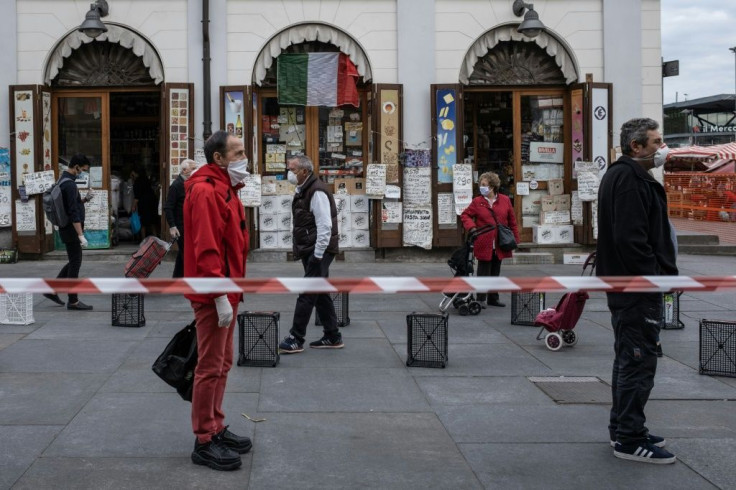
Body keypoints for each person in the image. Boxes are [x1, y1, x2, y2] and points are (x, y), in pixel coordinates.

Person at [597, 118, 678, 464]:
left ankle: (624, 428)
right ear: (637, 146)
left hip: (629, 286)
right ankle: (629, 438)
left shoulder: (623, 175)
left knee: (628, 358)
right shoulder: (629, 179)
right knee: (637, 361)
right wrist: (655, 279)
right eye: (656, 142)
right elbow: (632, 240)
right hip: (637, 289)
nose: (662, 148)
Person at [183, 130, 251, 471]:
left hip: (227, 290)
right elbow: (207, 249)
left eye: (243, 151)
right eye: (237, 153)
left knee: (222, 363)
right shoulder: (206, 191)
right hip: (214, 294)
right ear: (218, 159)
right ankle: (204, 439)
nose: (244, 158)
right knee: (209, 367)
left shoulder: (226, 188)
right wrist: (220, 295)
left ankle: (215, 424)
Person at [278, 155, 343, 353]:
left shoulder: (316, 191)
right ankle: (332, 336)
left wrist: (318, 254)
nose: (289, 173)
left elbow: (325, 225)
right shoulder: (305, 189)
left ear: (304, 171)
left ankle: (296, 337)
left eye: (293, 169)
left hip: (318, 249)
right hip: (311, 247)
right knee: (320, 292)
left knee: (307, 292)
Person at [460, 171, 519, 307]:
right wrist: (472, 228)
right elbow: (465, 215)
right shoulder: (477, 201)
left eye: (484, 184)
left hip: (500, 242)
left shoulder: (504, 200)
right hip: (483, 241)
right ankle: (481, 298)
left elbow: (512, 221)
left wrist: (515, 239)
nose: (482, 187)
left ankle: (493, 298)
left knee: (495, 270)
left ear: (492, 186)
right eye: (481, 184)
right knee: (483, 271)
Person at [43, 154, 94, 311]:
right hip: (71, 229)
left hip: (65, 228)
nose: (83, 173)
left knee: (73, 260)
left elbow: (70, 205)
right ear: (76, 166)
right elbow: (73, 212)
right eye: (83, 170)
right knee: (75, 263)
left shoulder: (63, 180)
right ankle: (73, 301)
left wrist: (85, 199)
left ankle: (52, 289)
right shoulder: (70, 185)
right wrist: (80, 234)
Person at [163, 159, 195, 277]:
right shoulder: (176, 185)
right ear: (185, 170)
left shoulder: (190, 183)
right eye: (193, 169)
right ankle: (185, 279)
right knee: (186, 252)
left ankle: (177, 278)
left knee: (183, 252)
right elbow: (168, 207)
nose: (195, 171)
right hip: (180, 225)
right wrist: (172, 226)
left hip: (187, 224)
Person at [130, 165, 158, 238]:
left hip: (144, 203)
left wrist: (133, 206)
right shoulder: (146, 179)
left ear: (135, 173)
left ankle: (143, 239)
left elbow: (137, 197)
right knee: (152, 221)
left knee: (143, 222)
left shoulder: (137, 182)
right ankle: (156, 237)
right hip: (152, 201)